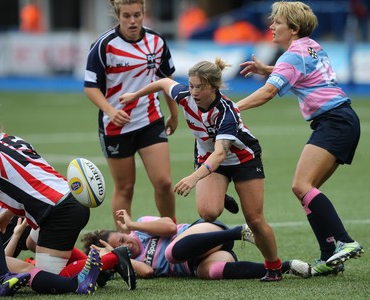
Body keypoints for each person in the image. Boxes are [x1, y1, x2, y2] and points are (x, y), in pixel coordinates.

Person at [119, 58, 284, 281]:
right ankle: (220, 191)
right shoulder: (185, 96)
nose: (194, 92)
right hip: (208, 158)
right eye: (191, 86)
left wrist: (194, 178)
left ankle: (274, 267)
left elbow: (220, 154)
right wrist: (134, 96)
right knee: (208, 213)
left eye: (200, 87)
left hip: (243, 159)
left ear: (213, 87)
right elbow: (163, 83)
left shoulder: (227, 113)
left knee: (254, 220)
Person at [237, 1, 364, 276]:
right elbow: (298, 69)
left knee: (301, 185)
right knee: (307, 190)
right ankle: (329, 256)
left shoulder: (292, 55)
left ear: (293, 29)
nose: (271, 26)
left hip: (333, 122)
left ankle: (345, 241)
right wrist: (268, 68)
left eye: (278, 22)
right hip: (344, 119)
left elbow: (268, 93)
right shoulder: (311, 46)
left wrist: (233, 108)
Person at [0, 97, 92, 276]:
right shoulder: (9, 139)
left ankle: (109, 260)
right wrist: (6, 215)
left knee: (44, 278)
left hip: (58, 212)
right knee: (31, 243)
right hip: (71, 198)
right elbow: (29, 182)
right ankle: (97, 266)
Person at [83, 0, 177, 231]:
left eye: (137, 15)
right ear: (118, 16)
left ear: (144, 13)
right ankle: (124, 243)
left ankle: (171, 232)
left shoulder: (156, 41)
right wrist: (110, 110)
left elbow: (168, 82)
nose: (133, 21)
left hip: (150, 120)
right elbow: (90, 86)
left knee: (164, 183)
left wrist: (174, 115)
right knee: (125, 187)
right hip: (115, 126)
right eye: (127, 16)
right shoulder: (104, 45)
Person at [82, 209, 312, 280]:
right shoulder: (133, 262)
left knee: (172, 252)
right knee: (210, 272)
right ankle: (286, 266)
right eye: (121, 247)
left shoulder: (140, 227)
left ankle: (238, 232)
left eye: (123, 239)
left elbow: (170, 228)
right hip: (199, 262)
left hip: (207, 234)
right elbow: (148, 271)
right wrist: (118, 256)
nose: (128, 244)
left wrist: (134, 225)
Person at [0, 212, 102, 295]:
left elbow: (1, 259)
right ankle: (4, 277)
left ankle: (76, 286)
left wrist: (16, 235)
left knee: (26, 269)